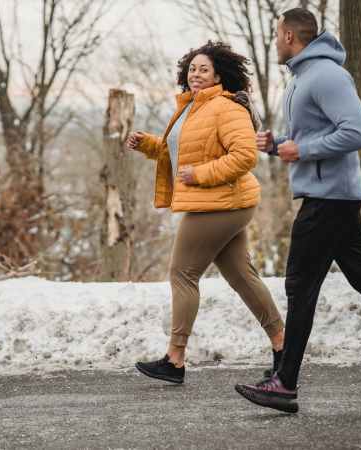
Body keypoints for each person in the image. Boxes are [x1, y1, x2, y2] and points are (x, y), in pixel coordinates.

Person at [235, 8, 361, 414]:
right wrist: (279, 143)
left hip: (330, 198)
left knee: (299, 285)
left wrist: (305, 149)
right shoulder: (303, 77)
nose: (276, 41)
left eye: (278, 35)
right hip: (328, 195)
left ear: (291, 36)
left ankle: (285, 383)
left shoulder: (327, 75)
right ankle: (284, 380)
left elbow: (356, 131)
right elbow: (313, 134)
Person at [126, 41, 285, 385]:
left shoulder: (225, 107)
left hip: (219, 203)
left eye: (204, 70)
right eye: (192, 68)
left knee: (182, 273)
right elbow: (183, 151)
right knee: (241, 275)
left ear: (219, 75)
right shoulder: (191, 108)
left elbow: (245, 156)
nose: (195, 75)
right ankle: (283, 346)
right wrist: (148, 145)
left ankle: (175, 359)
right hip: (221, 203)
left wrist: (199, 175)